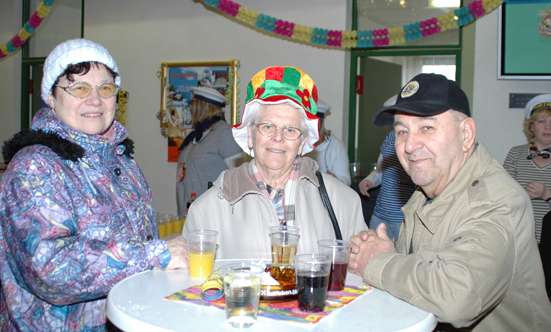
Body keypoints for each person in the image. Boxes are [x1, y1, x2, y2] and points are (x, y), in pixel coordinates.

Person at [0, 38, 188, 332]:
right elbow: (50, 271)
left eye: (105, 88)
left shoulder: (121, 160)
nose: (95, 100)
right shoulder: (35, 166)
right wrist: (158, 254)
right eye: (79, 88)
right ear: (50, 97)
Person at [348, 73, 551, 331]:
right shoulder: (426, 191)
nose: (409, 145)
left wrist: (380, 261)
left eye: (427, 128)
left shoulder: (496, 201)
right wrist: (391, 251)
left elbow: (457, 298)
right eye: (401, 131)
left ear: (466, 134)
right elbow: (428, 264)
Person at [183, 66, 367, 259]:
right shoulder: (205, 211)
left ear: (303, 141)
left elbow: (359, 279)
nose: (278, 138)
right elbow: (192, 285)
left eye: (290, 129)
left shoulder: (345, 202)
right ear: (250, 135)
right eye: (268, 126)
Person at [176, 86, 243, 215]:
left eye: (193, 103)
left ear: (203, 106)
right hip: (191, 213)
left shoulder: (224, 133)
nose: (190, 107)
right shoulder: (197, 134)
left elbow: (239, 177)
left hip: (213, 215)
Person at [503, 94, 551, 244]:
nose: (548, 127)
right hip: (519, 239)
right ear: (531, 126)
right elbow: (500, 196)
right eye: (541, 121)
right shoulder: (515, 154)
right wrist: (521, 195)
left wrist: (546, 194)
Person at [358, 130, 416, 240]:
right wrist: (370, 179)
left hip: (404, 219)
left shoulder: (416, 139)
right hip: (379, 215)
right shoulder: (389, 138)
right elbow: (381, 170)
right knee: (375, 254)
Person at [305, 99, 351, 185]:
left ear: (321, 123)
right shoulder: (294, 141)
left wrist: (335, 179)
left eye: (315, 121)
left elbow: (346, 180)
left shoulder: (336, 146)